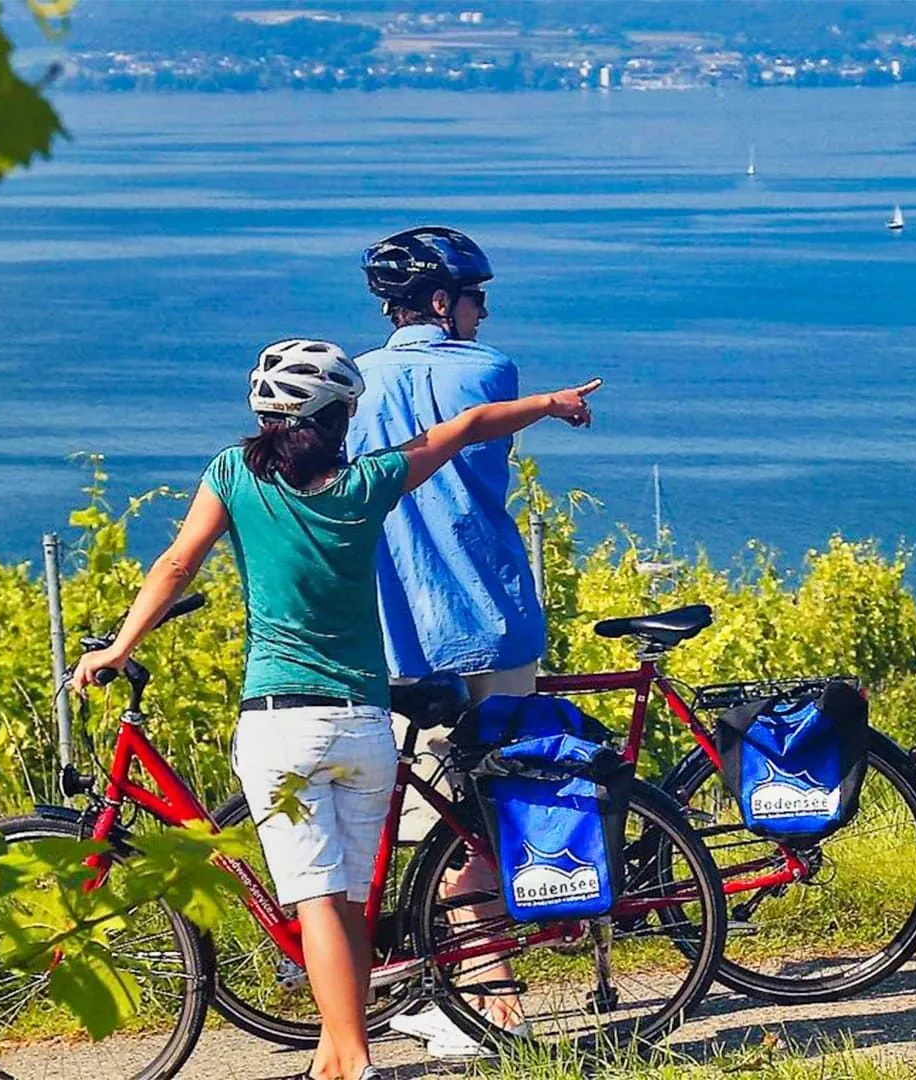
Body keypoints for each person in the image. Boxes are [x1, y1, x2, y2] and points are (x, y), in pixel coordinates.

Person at [70, 338, 600, 1080]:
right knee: (346, 901)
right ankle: (334, 1051)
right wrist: (550, 404)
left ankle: (349, 1060)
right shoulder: (367, 483)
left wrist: (120, 647)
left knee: (316, 901)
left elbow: (177, 563)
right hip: (363, 722)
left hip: (281, 725)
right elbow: (469, 423)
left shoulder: (231, 474)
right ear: (336, 419)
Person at [349, 227, 549, 1058]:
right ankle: (487, 1005)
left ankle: (444, 991)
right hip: (494, 624)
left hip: (400, 636)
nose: (484, 310)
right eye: (475, 296)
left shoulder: (352, 382)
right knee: (493, 820)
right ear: (442, 302)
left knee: (420, 820)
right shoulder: (488, 369)